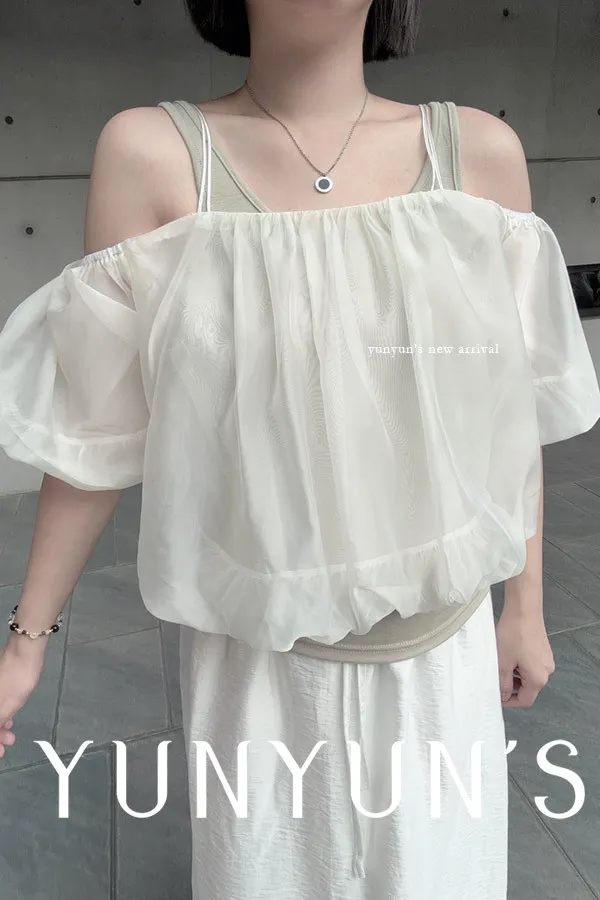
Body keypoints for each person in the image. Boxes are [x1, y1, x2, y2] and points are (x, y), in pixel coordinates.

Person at [1, 1, 600, 898]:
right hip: (255, 669)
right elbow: (94, 430)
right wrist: (25, 644)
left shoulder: (479, 156)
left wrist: (526, 608)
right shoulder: (153, 156)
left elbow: (503, 421)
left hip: (442, 661)